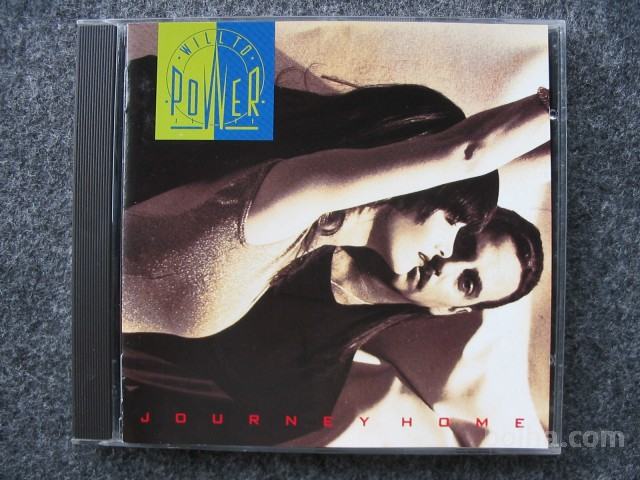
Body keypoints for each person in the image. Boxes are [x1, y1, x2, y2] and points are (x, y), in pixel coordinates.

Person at [122, 55, 550, 340]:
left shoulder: (294, 233)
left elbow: (483, 168)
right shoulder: (284, 203)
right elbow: (468, 154)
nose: (446, 250)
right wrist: (571, 90)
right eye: (455, 224)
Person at [123, 207, 544, 446]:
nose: (447, 264)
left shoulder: (309, 388)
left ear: (450, 310)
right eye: (465, 243)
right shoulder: (326, 210)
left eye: (467, 282)